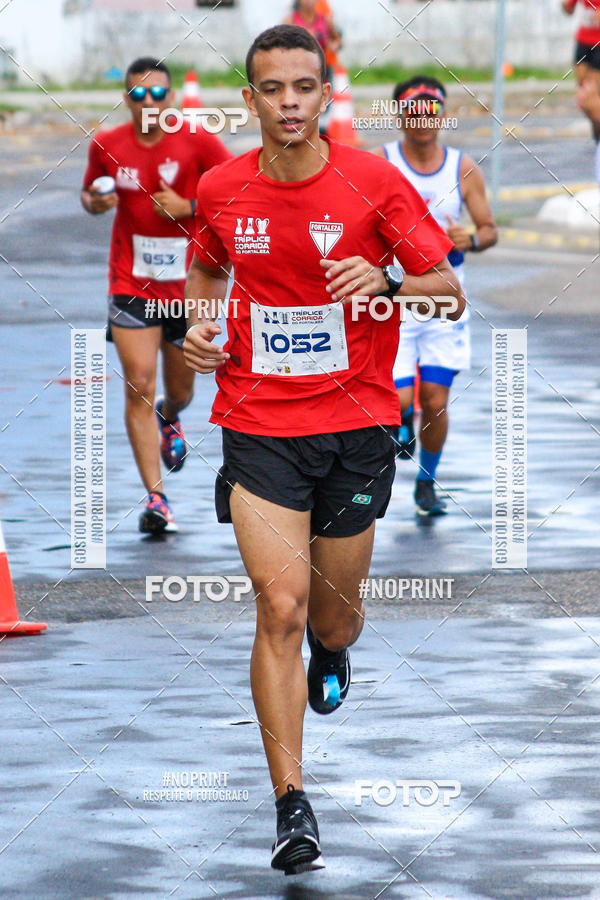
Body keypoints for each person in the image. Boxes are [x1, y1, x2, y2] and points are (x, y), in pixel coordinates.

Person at [183, 26, 464, 874]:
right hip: (260, 424)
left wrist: (386, 281)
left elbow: (448, 290)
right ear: (251, 100)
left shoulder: (374, 184)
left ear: (324, 93)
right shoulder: (221, 188)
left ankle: (335, 650)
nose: (290, 103)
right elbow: (205, 274)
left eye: (305, 87)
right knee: (281, 608)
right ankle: (291, 807)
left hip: (356, 428)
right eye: (272, 89)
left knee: (331, 617)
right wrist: (199, 328)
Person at [81, 57, 231, 534]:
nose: (149, 103)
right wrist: (95, 202)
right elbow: (90, 193)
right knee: (138, 383)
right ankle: (157, 498)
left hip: (189, 287)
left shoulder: (197, 140)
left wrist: (189, 206)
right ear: (127, 98)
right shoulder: (107, 145)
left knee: (179, 390)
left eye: (158, 94)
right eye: (138, 95)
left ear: (172, 99)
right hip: (131, 283)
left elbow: (240, 192)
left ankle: (171, 415)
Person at [373, 76, 497, 517]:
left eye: (431, 108)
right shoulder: (382, 164)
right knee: (401, 401)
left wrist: (473, 239)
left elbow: (489, 229)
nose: (423, 118)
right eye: (413, 108)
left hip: (446, 301)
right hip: (398, 299)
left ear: (442, 114)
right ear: (400, 114)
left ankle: (426, 482)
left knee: (436, 401)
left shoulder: (462, 168)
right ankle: (400, 426)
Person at [562, 0, 600, 86]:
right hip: (583, 40)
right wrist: (564, 5)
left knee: (595, 85)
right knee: (582, 82)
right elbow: (569, 9)